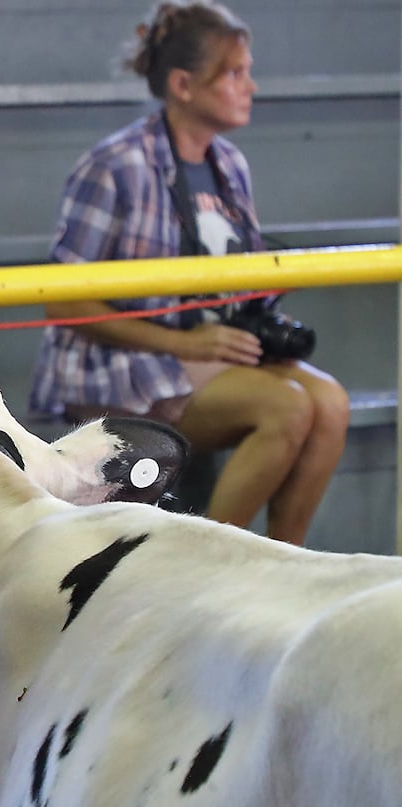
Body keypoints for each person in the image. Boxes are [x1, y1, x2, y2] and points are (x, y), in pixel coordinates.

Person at [28, 0, 348, 546]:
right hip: (125, 367)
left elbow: (224, 283)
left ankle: (286, 564)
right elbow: (64, 305)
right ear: (183, 84)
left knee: (331, 402)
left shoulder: (230, 165)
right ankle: (206, 561)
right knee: (287, 407)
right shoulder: (115, 164)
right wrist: (193, 344)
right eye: (235, 74)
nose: (251, 87)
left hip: (203, 354)